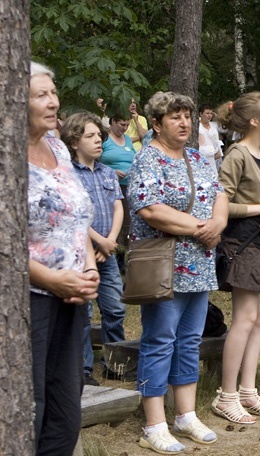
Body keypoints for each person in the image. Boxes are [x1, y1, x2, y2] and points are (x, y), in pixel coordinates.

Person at [127, 91, 228, 454]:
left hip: (199, 262)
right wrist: (200, 227)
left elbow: (219, 194)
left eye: (187, 116)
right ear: (156, 124)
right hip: (163, 264)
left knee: (189, 339)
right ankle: (154, 423)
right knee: (160, 339)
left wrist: (217, 222)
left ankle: (185, 415)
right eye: (175, 117)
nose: (184, 122)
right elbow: (149, 209)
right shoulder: (147, 159)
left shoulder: (199, 158)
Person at [28, 61, 99, 456]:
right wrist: (51, 279)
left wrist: (87, 267)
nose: (54, 102)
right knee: (26, 408)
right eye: (41, 94)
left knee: (65, 413)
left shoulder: (57, 145)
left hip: (71, 298)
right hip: (26, 302)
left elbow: (77, 219)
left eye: (54, 93)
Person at [211, 92, 260, 424]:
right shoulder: (237, 154)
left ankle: (247, 391)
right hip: (241, 245)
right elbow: (221, 202)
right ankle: (226, 396)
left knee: (258, 320)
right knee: (243, 320)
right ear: (254, 120)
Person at [61, 111, 127, 386]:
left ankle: (115, 362)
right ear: (75, 142)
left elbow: (118, 206)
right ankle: (83, 369)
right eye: (90, 136)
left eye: (99, 136)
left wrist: (109, 241)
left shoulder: (107, 172)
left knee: (115, 308)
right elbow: (73, 215)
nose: (98, 141)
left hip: (107, 253)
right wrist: (98, 241)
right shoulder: (67, 173)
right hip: (80, 254)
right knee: (84, 314)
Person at [100, 110, 135, 244]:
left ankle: (126, 247)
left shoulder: (127, 139)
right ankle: (116, 245)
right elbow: (96, 161)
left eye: (127, 125)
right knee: (117, 216)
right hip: (111, 184)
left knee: (128, 218)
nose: (125, 128)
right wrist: (112, 172)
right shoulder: (105, 138)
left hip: (129, 183)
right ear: (113, 122)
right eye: (122, 125)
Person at [198, 103, 224, 173]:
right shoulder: (197, 127)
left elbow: (224, 128)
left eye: (211, 113)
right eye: (207, 113)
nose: (209, 116)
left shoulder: (214, 126)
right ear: (201, 114)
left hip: (214, 158)